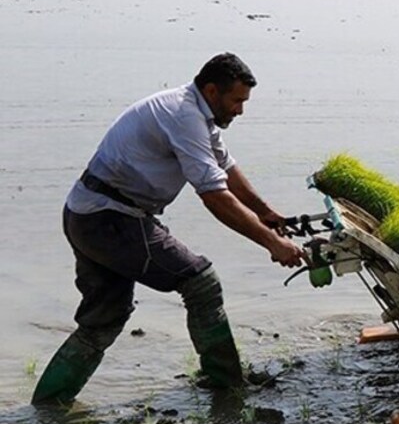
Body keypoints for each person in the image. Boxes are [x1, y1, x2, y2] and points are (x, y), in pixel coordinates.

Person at [32, 53, 307, 406]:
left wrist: (267, 214)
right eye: (237, 100)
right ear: (212, 90)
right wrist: (271, 243)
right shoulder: (184, 117)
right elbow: (213, 194)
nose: (240, 110)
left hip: (87, 213)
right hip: (112, 219)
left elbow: (225, 167)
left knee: (103, 319)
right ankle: (228, 388)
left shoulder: (199, 115)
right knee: (201, 283)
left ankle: (46, 408)